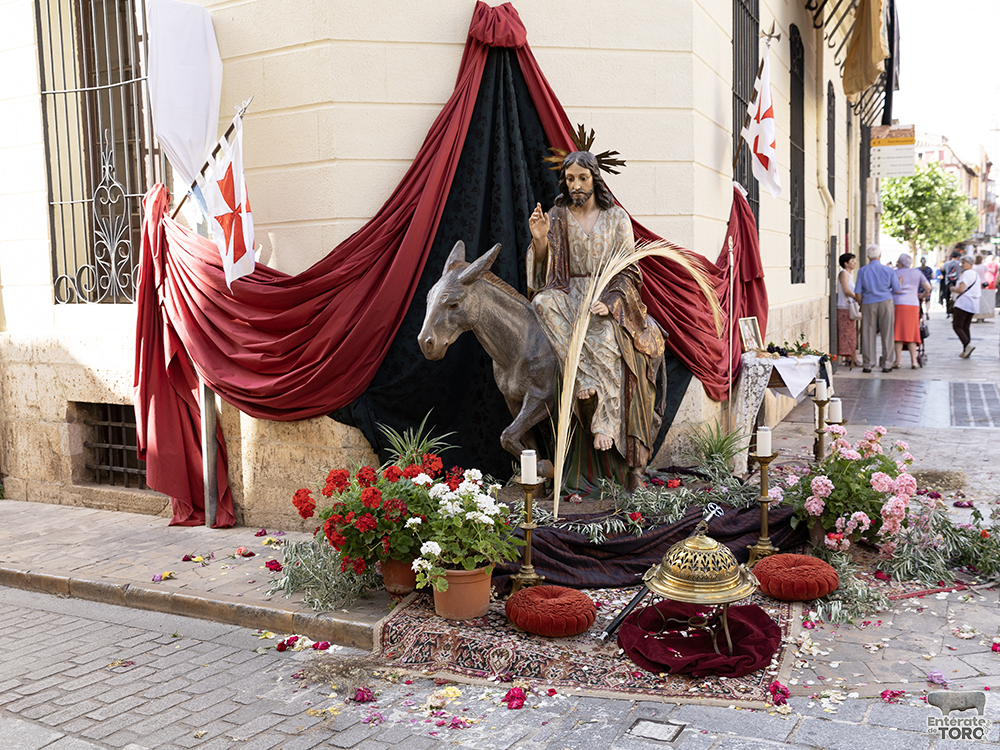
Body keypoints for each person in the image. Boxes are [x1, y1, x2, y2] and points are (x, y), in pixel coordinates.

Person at [527, 150, 664, 488]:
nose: (576, 185)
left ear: (595, 179)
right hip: (569, 295)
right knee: (543, 302)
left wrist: (612, 301)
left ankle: (603, 420)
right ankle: (582, 379)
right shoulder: (557, 216)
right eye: (570, 179)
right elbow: (543, 274)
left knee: (603, 339)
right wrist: (540, 239)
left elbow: (629, 270)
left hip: (604, 299)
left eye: (582, 178)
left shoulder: (617, 218)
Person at [854, 243, 901, 373]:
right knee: (887, 332)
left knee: (868, 333)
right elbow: (897, 290)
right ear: (880, 256)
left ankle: (868, 364)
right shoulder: (889, 270)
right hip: (886, 302)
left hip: (868, 302)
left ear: (867, 256)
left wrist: (861, 304)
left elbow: (858, 292)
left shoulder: (862, 271)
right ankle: (887, 364)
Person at [891, 253, 932, 369]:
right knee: (912, 332)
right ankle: (914, 361)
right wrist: (921, 296)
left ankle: (898, 361)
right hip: (913, 304)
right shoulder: (917, 273)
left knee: (898, 332)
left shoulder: (895, 273)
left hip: (898, 304)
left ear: (900, 263)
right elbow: (928, 288)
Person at [950, 255, 982, 358]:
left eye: (964, 263)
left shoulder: (966, 274)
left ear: (970, 264)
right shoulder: (975, 274)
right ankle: (966, 349)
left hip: (963, 303)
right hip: (973, 303)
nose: (962, 265)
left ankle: (967, 345)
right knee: (965, 327)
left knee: (957, 326)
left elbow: (961, 289)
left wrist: (953, 289)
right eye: (961, 263)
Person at [836, 253, 861, 368]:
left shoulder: (849, 275)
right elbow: (846, 290)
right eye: (852, 261)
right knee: (848, 335)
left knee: (850, 334)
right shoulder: (844, 274)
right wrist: (857, 297)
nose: (854, 263)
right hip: (844, 308)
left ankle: (851, 358)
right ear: (846, 263)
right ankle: (852, 359)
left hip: (848, 308)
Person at [942, 247, 963, 316]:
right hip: (957, 282)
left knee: (947, 297)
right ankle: (956, 310)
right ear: (958, 257)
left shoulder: (946, 263)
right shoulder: (960, 264)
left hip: (948, 282)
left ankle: (948, 311)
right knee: (957, 297)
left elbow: (942, 269)